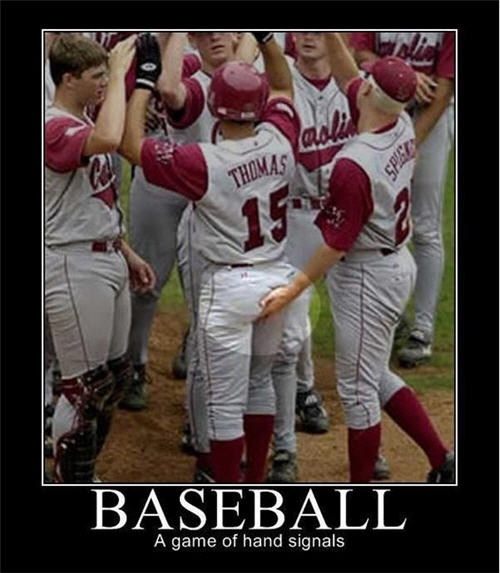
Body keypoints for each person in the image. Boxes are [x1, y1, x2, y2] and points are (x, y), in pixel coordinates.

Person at [259, 33, 454, 484]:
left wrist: (294, 287)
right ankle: (441, 459)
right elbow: (350, 74)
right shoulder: (399, 124)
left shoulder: (354, 165)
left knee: (357, 392)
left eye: (365, 80)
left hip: (367, 276)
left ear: (369, 92)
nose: (358, 80)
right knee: (374, 375)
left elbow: (334, 244)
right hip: (393, 263)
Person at [120, 32, 300, 483]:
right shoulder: (281, 138)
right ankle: (255, 481)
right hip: (275, 279)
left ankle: (215, 475)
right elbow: (283, 86)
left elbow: (131, 146)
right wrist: (266, 40)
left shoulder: (204, 163)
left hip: (228, 286)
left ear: (214, 107)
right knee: (259, 383)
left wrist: (142, 84)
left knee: (220, 395)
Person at [45, 34, 155, 482]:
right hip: (72, 263)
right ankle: (69, 478)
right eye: (96, 77)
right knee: (84, 388)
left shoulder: (84, 120)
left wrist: (125, 251)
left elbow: (99, 200)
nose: (104, 84)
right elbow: (110, 138)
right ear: (68, 80)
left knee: (114, 377)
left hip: (105, 255)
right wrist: (119, 68)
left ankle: (81, 471)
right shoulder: (53, 126)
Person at [350, 32, 455, 367]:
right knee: (378, 219)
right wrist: (401, 73)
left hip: (429, 119)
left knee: (425, 227)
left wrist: (410, 143)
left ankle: (422, 330)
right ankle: (390, 318)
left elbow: (444, 89)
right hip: (382, 110)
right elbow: (360, 53)